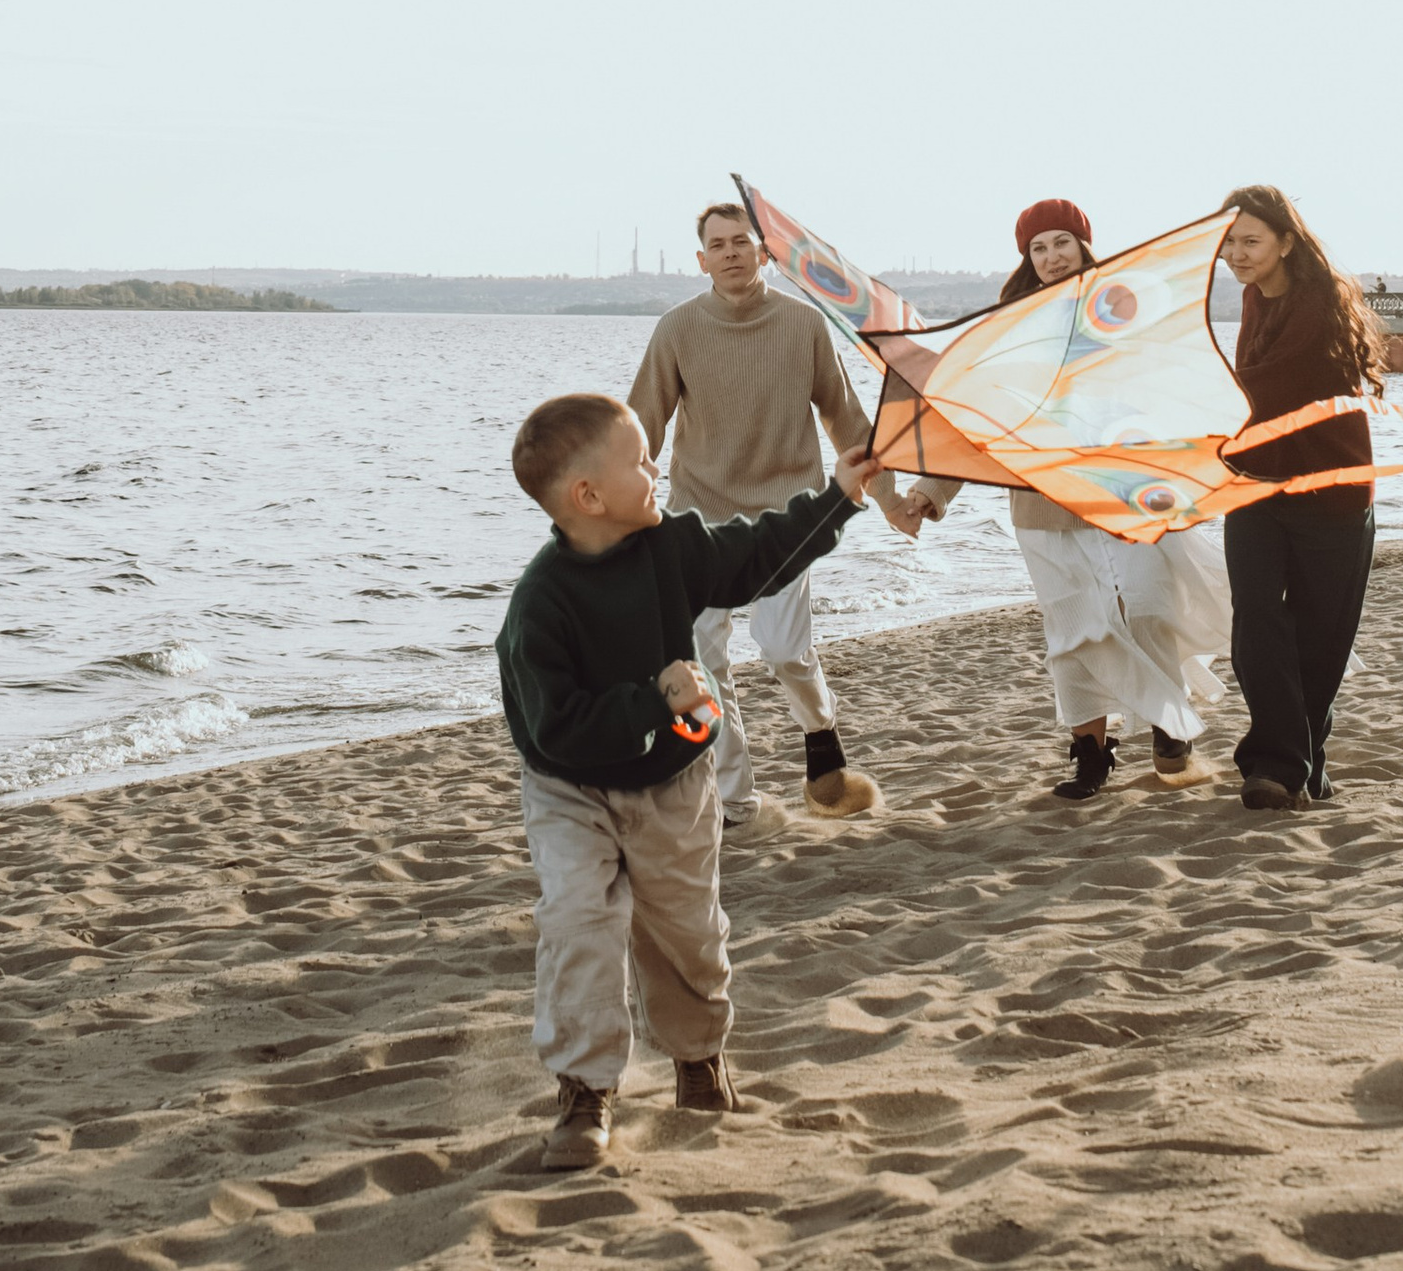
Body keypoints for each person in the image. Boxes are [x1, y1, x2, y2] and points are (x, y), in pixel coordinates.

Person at [496, 388, 877, 1171]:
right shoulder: (540, 605)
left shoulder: (672, 544)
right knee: (579, 923)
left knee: (686, 933)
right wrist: (652, 697)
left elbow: (756, 554)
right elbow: (552, 728)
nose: (656, 467)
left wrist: (838, 495)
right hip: (571, 791)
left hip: (671, 781)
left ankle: (698, 1059)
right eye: (640, 460)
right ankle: (585, 1090)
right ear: (587, 497)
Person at [904, 199, 1227, 804]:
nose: (1051, 257)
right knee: (1075, 630)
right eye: (1038, 248)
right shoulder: (1009, 328)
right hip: (1042, 504)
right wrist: (930, 490)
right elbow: (975, 424)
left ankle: (1168, 722)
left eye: (1061, 243)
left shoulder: (1121, 313)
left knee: (1150, 605)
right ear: (1027, 257)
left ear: (1083, 244)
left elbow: (1167, 397)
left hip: (1122, 493)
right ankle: (1091, 752)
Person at [629, 198, 905, 823]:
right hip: (698, 519)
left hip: (788, 519)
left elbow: (845, 417)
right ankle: (735, 798)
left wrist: (888, 501)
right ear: (701, 261)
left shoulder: (803, 324)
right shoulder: (676, 328)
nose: (730, 253)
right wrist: (616, 510)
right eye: (718, 245)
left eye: (741, 242)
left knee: (784, 650)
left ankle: (821, 735)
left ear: (765, 254)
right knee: (703, 658)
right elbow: (643, 422)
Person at [1217, 186, 1387, 815]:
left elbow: (1270, 387)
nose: (1236, 253)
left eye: (1250, 241)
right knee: (1256, 622)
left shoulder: (1321, 302)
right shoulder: (1252, 298)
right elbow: (1252, 399)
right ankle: (1277, 767)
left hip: (1331, 489)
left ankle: (1301, 761)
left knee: (1321, 636)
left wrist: (1190, 408)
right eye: (1229, 242)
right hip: (1258, 486)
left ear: (1286, 241)